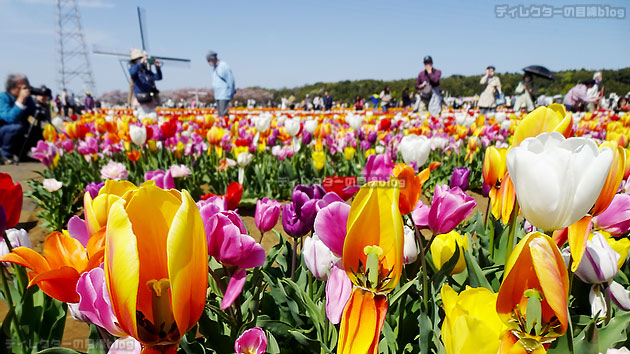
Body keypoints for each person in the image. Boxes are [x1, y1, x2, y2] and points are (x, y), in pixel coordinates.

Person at [0, 74, 36, 163]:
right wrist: (20, 101)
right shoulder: (3, 97)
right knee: (15, 128)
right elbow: (10, 118)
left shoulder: (28, 99)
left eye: (27, 87)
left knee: (36, 130)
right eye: (22, 87)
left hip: (20, 131)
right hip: (4, 132)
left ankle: (22, 154)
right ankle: (5, 155)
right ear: (11, 88)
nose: (25, 90)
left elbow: (34, 114)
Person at [129, 48, 162, 114]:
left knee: (153, 117)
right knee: (142, 117)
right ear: (134, 61)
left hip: (149, 99)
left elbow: (158, 77)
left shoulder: (147, 72)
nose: (141, 60)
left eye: (141, 58)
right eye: (139, 59)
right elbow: (132, 72)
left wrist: (157, 67)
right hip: (139, 99)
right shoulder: (134, 70)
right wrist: (140, 63)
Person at [206, 51, 235, 118]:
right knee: (220, 114)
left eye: (209, 60)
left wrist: (231, 92)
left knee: (223, 114)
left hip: (224, 94)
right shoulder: (215, 68)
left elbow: (231, 79)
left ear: (213, 59)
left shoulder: (224, 66)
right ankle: (223, 126)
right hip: (218, 94)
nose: (209, 63)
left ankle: (226, 126)